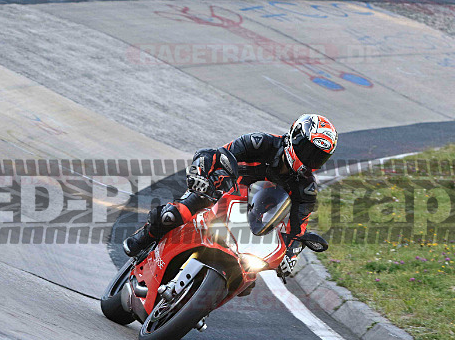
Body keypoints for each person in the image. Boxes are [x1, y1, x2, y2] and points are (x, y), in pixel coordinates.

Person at [123, 114, 338, 281]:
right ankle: (145, 237)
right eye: (308, 151)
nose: (311, 160)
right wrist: (201, 173)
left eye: (318, 157)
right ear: (294, 138)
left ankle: (203, 301)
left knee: (248, 278)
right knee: (174, 215)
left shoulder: (307, 187)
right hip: (219, 193)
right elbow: (216, 154)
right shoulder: (260, 142)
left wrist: (291, 255)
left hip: (254, 219)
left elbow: (298, 227)